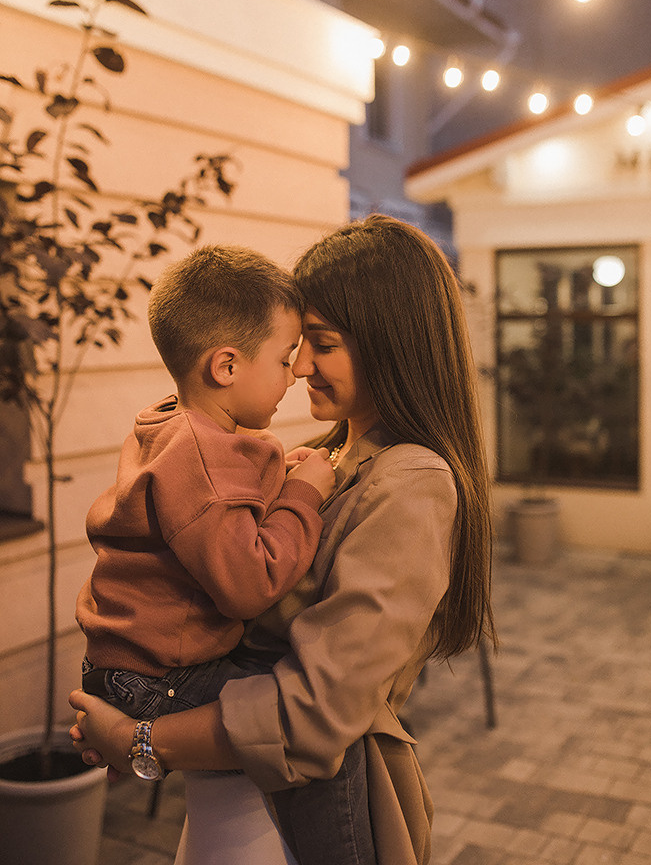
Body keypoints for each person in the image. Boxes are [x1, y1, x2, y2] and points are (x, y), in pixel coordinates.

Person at [71, 215, 497, 865]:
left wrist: (140, 737)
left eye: (319, 343)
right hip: (235, 804)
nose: (299, 366)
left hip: (291, 813)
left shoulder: (410, 480)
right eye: (296, 344)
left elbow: (316, 709)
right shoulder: (320, 456)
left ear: (390, 344)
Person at [76, 243, 335, 730]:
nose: (296, 375)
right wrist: (305, 496)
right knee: (306, 715)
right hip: (160, 677)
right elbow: (250, 586)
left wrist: (279, 474)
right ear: (227, 367)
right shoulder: (201, 455)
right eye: (284, 360)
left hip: (126, 666)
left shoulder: (173, 429)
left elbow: (214, 504)